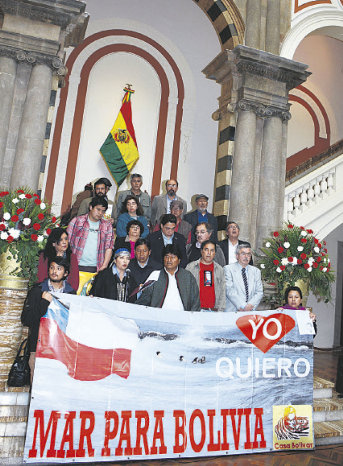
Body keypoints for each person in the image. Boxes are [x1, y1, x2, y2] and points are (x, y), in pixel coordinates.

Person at [21, 257, 76, 382]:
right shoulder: (37, 290)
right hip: (38, 347)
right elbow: (27, 319)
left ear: (66, 273)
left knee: (56, 385)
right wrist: (44, 303)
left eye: (59, 268)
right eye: (52, 268)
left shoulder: (71, 295)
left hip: (60, 349)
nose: (54, 271)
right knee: (37, 385)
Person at [67, 196, 114, 294]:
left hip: (96, 269)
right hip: (76, 267)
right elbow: (67, 242)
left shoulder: (107, 226)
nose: (100, 213)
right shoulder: (77, 221)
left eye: (103, 211)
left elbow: (109, 247)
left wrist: (104, 266)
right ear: (91, 207)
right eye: (98, 209)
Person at [136, 244, 200, 312]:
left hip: (183, 317)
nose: (169, 260)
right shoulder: (155, 275)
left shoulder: (187, 276)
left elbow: (195, 301)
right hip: (159, 317)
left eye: (173, 257)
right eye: (166, 257)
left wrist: (191, 318)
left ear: (179, 260)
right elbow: (144, 299)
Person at [186, 240, 226, 311]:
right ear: (201, 251)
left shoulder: (219, 269)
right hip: (196, 310)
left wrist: (220, 310)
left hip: (214, 310)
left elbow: (223, 291)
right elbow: (186, 289)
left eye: (212, 250)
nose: (209, 253)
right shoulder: (191, 267)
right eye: (206, 250)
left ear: (215, 253)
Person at [224, 244, 263, 312]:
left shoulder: (256, 271)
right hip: (233, 311)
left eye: (248, 254)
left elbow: (259, 292)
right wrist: (243, 306)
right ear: (237, 256)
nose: (246, 257)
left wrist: (250, 306)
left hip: (251, 311)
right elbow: (229, 290)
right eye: (243, 254)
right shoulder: (228, 269)